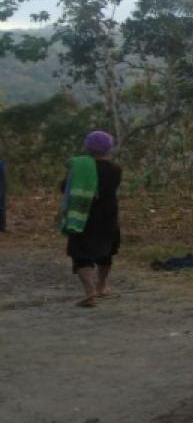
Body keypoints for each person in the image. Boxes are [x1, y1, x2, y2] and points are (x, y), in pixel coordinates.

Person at [59, 130, 122, 308]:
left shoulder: (79, 167)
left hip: (82, 216)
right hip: (108, 216)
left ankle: (89, 292)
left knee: (81, 254)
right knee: (106, 251)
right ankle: (102, 286)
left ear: (87, 148)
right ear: (109, 148)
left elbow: (65, 188)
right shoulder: (115, 170)